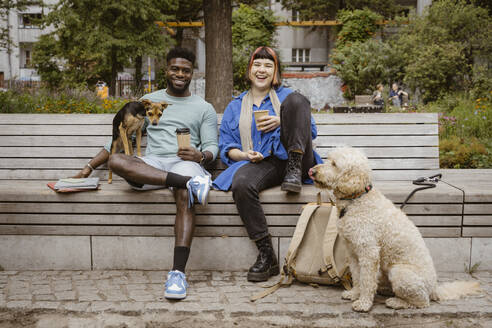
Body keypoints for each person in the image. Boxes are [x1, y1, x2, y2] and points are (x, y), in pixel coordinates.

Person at [72, 47, 218, 300]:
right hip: (153, 165)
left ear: (192, 73)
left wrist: (201, 156)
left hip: (185, 163)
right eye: (175, 68)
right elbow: (119, 138)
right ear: (166, 70)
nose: (180, 74)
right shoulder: (148, 100)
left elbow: (212, 147)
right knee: (118, 161)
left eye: (185, 70)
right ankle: (189, 183)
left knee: (184, 194)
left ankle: (177, 273)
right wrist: (89, 167)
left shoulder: (203, 107)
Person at [213, 46, 323, 282]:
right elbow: (226, 147)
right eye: (257, 65)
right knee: (241, 183)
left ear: (276, 73)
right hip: (266, 162)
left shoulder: (286, 97)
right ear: (249, 70)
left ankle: (293, 170)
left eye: (268, 65)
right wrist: (244, 155)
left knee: (297, 99)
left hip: (298, 159)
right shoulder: (235, 106)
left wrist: (282, 121)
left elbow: (310, 131)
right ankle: (266, 254)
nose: (262, 70)